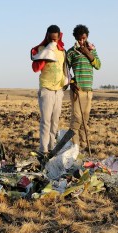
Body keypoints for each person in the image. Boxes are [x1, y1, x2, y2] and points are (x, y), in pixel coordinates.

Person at [31, 25, 70, 157]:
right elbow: (36, 68)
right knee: (46, 121)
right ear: (47, 36)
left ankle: (52, 149)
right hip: (46, 89)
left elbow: (65, 68)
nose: (53, 41)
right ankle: (43, 150)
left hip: (58, 90)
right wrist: (47, 51)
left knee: (55, 121)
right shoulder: (40, 49)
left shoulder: (62, 51)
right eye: (51, 38)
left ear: (59, 36)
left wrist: (66, 80)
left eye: (55, 38)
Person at [66, 24, 101, 152]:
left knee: (85, 119)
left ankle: (84, 146)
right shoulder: (71, 52)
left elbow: (98, 65)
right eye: (79, 39)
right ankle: (74, 147)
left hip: (89, 90)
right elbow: (66, 71)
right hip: (78, 90)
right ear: (75, 38)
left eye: (84, 38)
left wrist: (87, 53)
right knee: (77, 119)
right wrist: (72, 82)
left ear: (87, 37)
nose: (81, 41)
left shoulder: (92, 49)